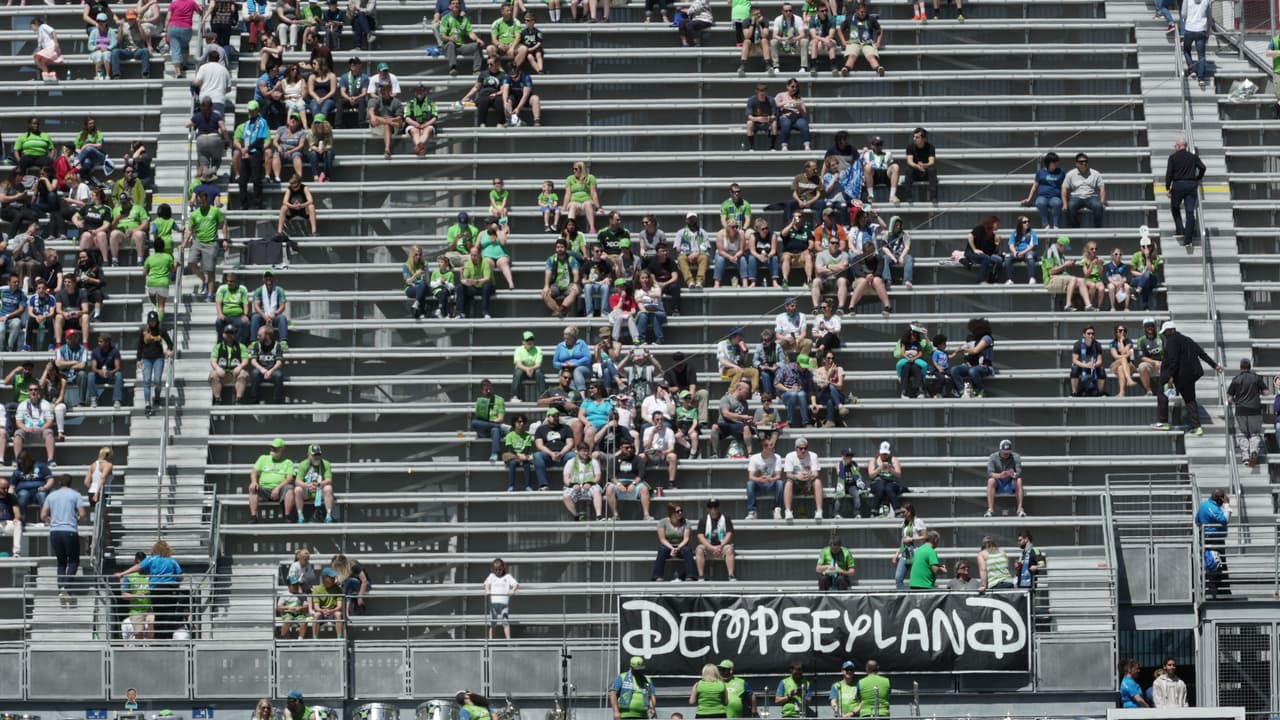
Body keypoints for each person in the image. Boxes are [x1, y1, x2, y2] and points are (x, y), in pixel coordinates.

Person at [1152, 320, 1222, 436]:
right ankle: (1196, 427)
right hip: (1190, 376)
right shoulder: (1187, 339)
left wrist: (1170, 376)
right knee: (1190, 400)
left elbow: (1174, 360)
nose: (1164, 336)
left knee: (1162, 394)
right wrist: (1215, 366)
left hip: (1178, 375)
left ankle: (1163, 422)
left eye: (1164, 333)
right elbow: (1202, 353)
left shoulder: (1172, 341)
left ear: (1169, 331)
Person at [113, 540, 183, 639]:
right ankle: (167, 638)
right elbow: (180, 575)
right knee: (168, 615)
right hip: (170, 589)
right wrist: (176, 582)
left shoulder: (152, 559)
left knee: (158, 615)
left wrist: (122, 573)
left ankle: (158, 641)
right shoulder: (171, 560)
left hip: (156, 590)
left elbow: (138, 567)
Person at [42, 475, 86, 600]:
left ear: (59, 482)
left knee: (61, 561)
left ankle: (61, 588)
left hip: (55, 531)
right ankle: (66, 587)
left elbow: (43, 515)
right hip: (70, 530)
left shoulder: (51, 496)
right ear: (70, 483)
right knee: (73, 560)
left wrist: (51, 521)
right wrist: (76, 520)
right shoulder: (75, 495)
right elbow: (82, 514)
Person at [1165, 138, 1206, 247]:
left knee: (1175, 207)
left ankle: (1180, 230)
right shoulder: (1193, 157)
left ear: (1178, 146)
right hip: (1191, 185)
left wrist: (1167, 188)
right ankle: (1188, 239)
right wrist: (1198, 178)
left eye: (1175, 145)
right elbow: (1203, 167)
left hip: (1178, 185)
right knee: (1189, 212)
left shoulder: (1173, 157)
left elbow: (1169, 174)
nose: (1174, 147)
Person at [1228, 358, 1267, 466]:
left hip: (1240, 410)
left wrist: (1236, 401)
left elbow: (1229, 398)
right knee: (1255, 432)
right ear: (1250, 367)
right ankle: (1254, 451)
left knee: (1242, 433)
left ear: (1240, 368)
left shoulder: (1236, 379)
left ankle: (1245, 457)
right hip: (1255, 410)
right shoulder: (1256, 378)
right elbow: (1266, 392)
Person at [249, 438, 296, 523]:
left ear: (282, 449)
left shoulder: (287, 462)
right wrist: (254, 482)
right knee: (252, 487)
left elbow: (289, 478)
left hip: (280, 490)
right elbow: (254, 472)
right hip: (264, 489)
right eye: (272, 448)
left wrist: (277, 488)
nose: (273, 450)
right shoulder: (263, 458)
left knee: (290, 488)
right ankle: (253, 517)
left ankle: (287, 516)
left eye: (276, 448)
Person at [1195, 488, 1231, 597]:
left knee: (1213, 565)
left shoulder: (1203, 505)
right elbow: (1225, 520)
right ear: (1220, 498)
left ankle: (1217, 592)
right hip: (1214, 540)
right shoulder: (1211, 507)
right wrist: (1227, 506)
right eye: (1223, 498)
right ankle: (1222, 594)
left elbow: (1196, 520)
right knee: (1218, 565)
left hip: (1209, 539)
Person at [694, 498, 736, 580]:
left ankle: (731, 575)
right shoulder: (703, 520)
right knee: (699, 549)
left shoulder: (726, 518)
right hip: (708, 546)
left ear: (718, 507)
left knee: (729, 549)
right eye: (710, 507)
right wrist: (711, 547)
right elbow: (700, 536)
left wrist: (721, 546)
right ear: (707, 509)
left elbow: (729, 533)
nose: (713, 509)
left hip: (722, 546)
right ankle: (701, 576)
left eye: (715, 507)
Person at [783, 437, 823, 521]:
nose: (803, 450)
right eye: (801, 448)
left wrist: (809, 475)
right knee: (788, 483)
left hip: (808, 482)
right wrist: (797, 476)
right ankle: (788, 511)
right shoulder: (790, 456)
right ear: (796, 448)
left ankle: (819, 510)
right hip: (796, 483)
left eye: (805, 448)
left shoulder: (813, 455)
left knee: (818, 481)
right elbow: (788, 474)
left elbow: (816, 473)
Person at [1062, 153, 1106, 228]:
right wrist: (1065, 204)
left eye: (1086, 161)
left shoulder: (1095, 173)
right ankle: (1075, 228)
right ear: (1076, 164)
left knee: (1098, 206)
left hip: (1091, 197)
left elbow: (1102, 189)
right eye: (1081, 162)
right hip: (1076, 197)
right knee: (1071, 206)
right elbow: (1064, 189)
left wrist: (1102, 202)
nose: (1084, 163)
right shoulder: (1070, 174)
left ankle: (1097, 228)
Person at [1023, 152, 1065, 229]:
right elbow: (1035, 186)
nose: (1056, 164)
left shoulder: (1061, 172)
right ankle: (1045, 224)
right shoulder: (1040, 172)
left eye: (1057, 162)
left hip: (1054, 196)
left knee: (1057, 203)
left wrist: (1065, 201)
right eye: (1054, 162)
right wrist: (1029, 198)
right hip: (1042, 196)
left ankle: (1056, 224)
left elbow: (1064, 187)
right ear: (1049, 163)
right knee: (1040, 202)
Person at [985, 439, 1026, 517]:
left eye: (1008, 453)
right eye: (1004, 452)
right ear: (1000, 450)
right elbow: (990, 473)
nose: (1006, 454)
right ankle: (990, 509)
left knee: (1019, 480)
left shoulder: (1016, 457)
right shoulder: (993, 457)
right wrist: (1000, 475)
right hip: (999, 482)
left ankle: (1020, 508)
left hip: (1010, 482)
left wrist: (1013, 474)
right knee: (991, 481)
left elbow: (1019, 472)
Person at [484, 558, 518, 640]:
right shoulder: (492, 576)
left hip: (504, 604)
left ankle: (508, 640)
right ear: (493, 569)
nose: (498, 571)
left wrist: (512, 590)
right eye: (496, 570)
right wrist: (487, 590)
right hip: (494, 604)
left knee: (505, 622)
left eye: (500, 569)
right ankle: (490, 640)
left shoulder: (508, 576)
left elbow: (516, 584)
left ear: (503, 568)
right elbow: (486, 584)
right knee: (493, 623)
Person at [471, 379, 505, 463]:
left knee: (495, 430)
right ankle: (499, 427)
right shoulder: (480, 401)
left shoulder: (499, 400)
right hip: (484, 428)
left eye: (490, 388)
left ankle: (494, 454)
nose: (489, 391)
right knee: (474, 423)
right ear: (482, 391)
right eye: (486, 390)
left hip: (493, 426)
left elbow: (500, 418)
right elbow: (478, 418)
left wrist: (492, 422)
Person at [0, 479, 22, 558]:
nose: (6, 490)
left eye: (7, 488)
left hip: (7, 523)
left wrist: (16, 518)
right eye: (3, 488)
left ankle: (16, 552)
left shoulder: (11, 497)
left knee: (18, 523)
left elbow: (17, 514)